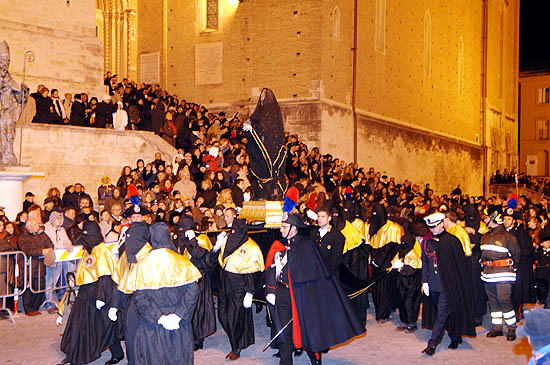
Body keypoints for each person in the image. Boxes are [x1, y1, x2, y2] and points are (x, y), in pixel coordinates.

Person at [265, 212, 365, 365]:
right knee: (284, 331)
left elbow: (313, 272)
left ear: (293, 228)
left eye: (284, 227)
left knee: (308, 330)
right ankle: (286, 362)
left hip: (302, 294)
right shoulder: (278, 245)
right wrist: (271, 290)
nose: (281, 230)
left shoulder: (306, 246)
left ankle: (315, 360)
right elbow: (271, 269)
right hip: (282, 293)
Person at [124, 222, 201, 365]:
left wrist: (159, 317)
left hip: (152, 325)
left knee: (153, 358)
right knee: (179, 358)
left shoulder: (141, 265)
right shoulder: (182, 262)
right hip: (178, 324)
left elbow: (139, 297)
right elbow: (193, 290)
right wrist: (179, 315)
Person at [60, 221, 124, 365]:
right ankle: (74, 353)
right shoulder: (90, 249)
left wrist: (101, 298)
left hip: (99, 293)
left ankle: (117, 353)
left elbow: (106, 276)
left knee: (106, 324)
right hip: (86, 292)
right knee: (80, 324)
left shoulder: (102, 251)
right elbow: (88, 270)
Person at [420, 212, 476, 356]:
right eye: (430, 227)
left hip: (448, 285)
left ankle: (432, 345)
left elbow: (460, 266)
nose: (432, 230)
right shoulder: (427, 242)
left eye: (435, 227)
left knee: (441, 314)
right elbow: (425, 263)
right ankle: (455, 335)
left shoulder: (452, 241)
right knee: (443, 313)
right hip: (432, 284)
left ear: (441, 224)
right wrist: (424, 282)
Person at [212, 216, 264, 360]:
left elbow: (253, 274)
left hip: (240, 289)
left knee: (236, 318)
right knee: (223, 314)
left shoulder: (251, 248)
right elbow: (220, 263)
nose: (233, 234)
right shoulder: (228, 242)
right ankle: (239, 340)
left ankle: (236, 348)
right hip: (225, 285)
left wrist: (250, 292)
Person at [174, 216, 217, 351]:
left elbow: (202, 257)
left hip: (200, 279)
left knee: (200, 310)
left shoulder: (201, 239)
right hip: (182, 279)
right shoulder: (178, 240)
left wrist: (193, 241)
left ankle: (198, 339)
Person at [481, 210, 521, 341]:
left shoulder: (508, 237)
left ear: (495, 219)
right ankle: (496, 328)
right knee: (492, 301)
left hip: (504, 273)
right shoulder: (485, 236)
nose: (485, 219)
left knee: (504, 299)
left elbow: (516, 256)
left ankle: (511, 327)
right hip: (488, 273)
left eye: (488, 217)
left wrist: (510, 268)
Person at [368, 203, 403, 323]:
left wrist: (386, 262)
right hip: (376, 262)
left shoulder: (393, 228)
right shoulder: (374, 226)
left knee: (385, 290)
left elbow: (394, 247)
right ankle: (382, 311)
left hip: (387, 262)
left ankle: (383, 314)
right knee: (377, 289)